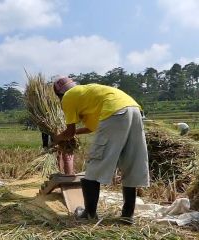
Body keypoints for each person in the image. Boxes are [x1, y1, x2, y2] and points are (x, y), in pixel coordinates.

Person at [51, 76, 149, 225]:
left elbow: (69, 132)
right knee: (131, 163)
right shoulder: (87, 94)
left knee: (95, 165)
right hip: (134, 109)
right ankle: (127, 216)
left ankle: (89, 214)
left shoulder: (68, 98)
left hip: (116, 112)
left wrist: (57, 138)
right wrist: (75, 133)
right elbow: (91, 127)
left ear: (59, 95)